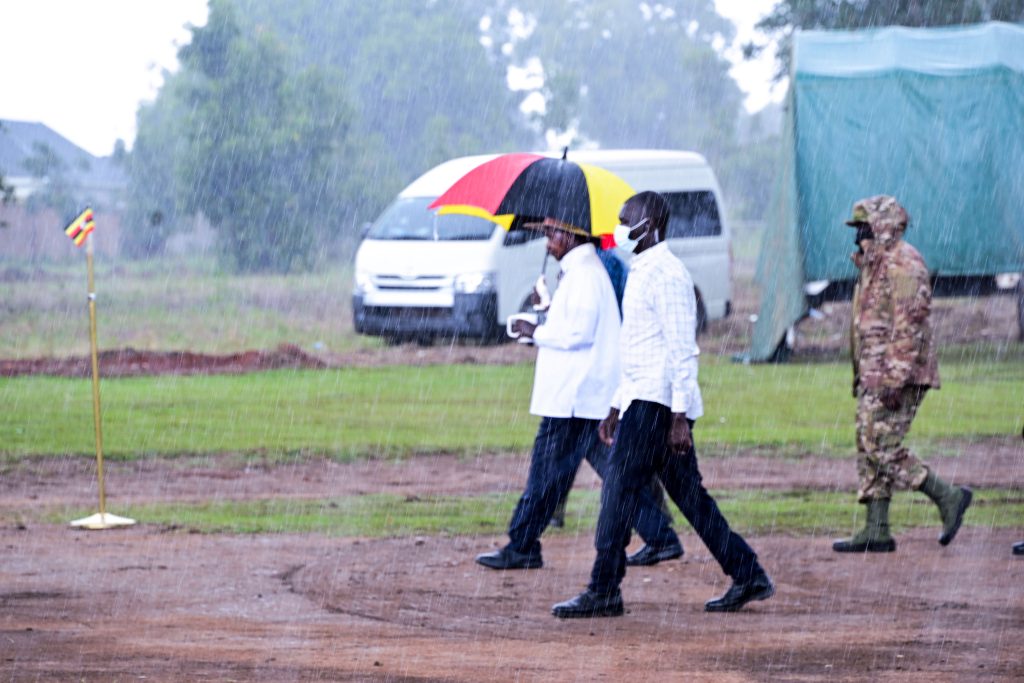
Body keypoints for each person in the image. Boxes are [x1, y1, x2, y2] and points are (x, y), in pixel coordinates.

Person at [552, 192, 774, 618]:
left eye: (624, 220)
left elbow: (681, 350)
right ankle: (747, 573)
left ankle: (604, 589)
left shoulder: (668, 275)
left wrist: (678, 416)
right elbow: (638, 349)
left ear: (648, 225)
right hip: (642, 398)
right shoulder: (642, 270)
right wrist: (617, 404)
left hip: (658, 405)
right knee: (689, 496)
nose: (618, 228)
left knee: (618, 491)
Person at [476, 217, 682, 571]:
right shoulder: (581, 271)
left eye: (551, 234)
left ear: (570, 235)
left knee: (546, 474)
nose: (547, 242)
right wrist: (547, 310)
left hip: (574, 398)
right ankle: (660, 535)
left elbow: (578, 334)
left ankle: (523, 543)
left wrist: (535, 329)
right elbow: (574, 325)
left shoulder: (585, 273)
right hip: (585, 396)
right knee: (608, 473)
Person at [833, 195, 972, 553]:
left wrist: (895, 378)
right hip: (874, 374)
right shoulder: (874, 265)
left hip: (898, 376)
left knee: (881, 444)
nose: (858, 236)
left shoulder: (904, 264)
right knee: (868, 445)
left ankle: (948, 496)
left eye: (864, 227)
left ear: (883, 226)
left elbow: (909, 325)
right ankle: (876, 528)